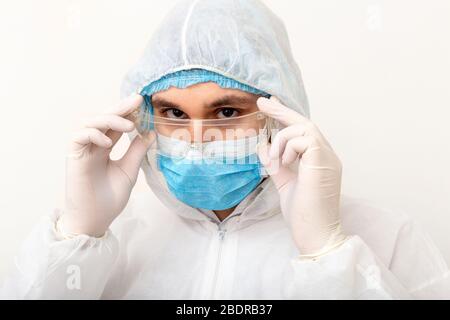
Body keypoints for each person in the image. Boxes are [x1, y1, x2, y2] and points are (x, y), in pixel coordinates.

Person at [2, 0, 449, 299]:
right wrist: (79, 234)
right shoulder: (125, 237)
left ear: (280, 112)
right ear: (142, 118)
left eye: (227, 112)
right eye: (174, 113)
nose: (197, 140)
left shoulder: (383, 237)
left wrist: (326, 254)